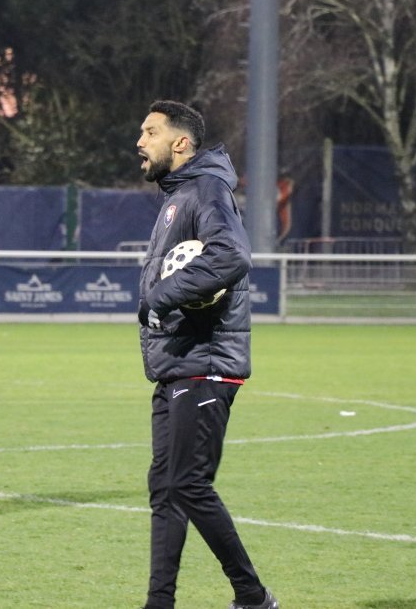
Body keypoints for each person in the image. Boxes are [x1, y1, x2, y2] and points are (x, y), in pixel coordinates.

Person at [135, 100, 278, 609]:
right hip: (177, 363)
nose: (139, 141)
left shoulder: (207, 188)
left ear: (180, 142)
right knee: (167, 491)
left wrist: (162, 295)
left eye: (150, 132)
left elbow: (232, 255)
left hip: (206, 364)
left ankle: (253, 596)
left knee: (188, 484)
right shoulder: (180, 195)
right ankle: (160, 602)